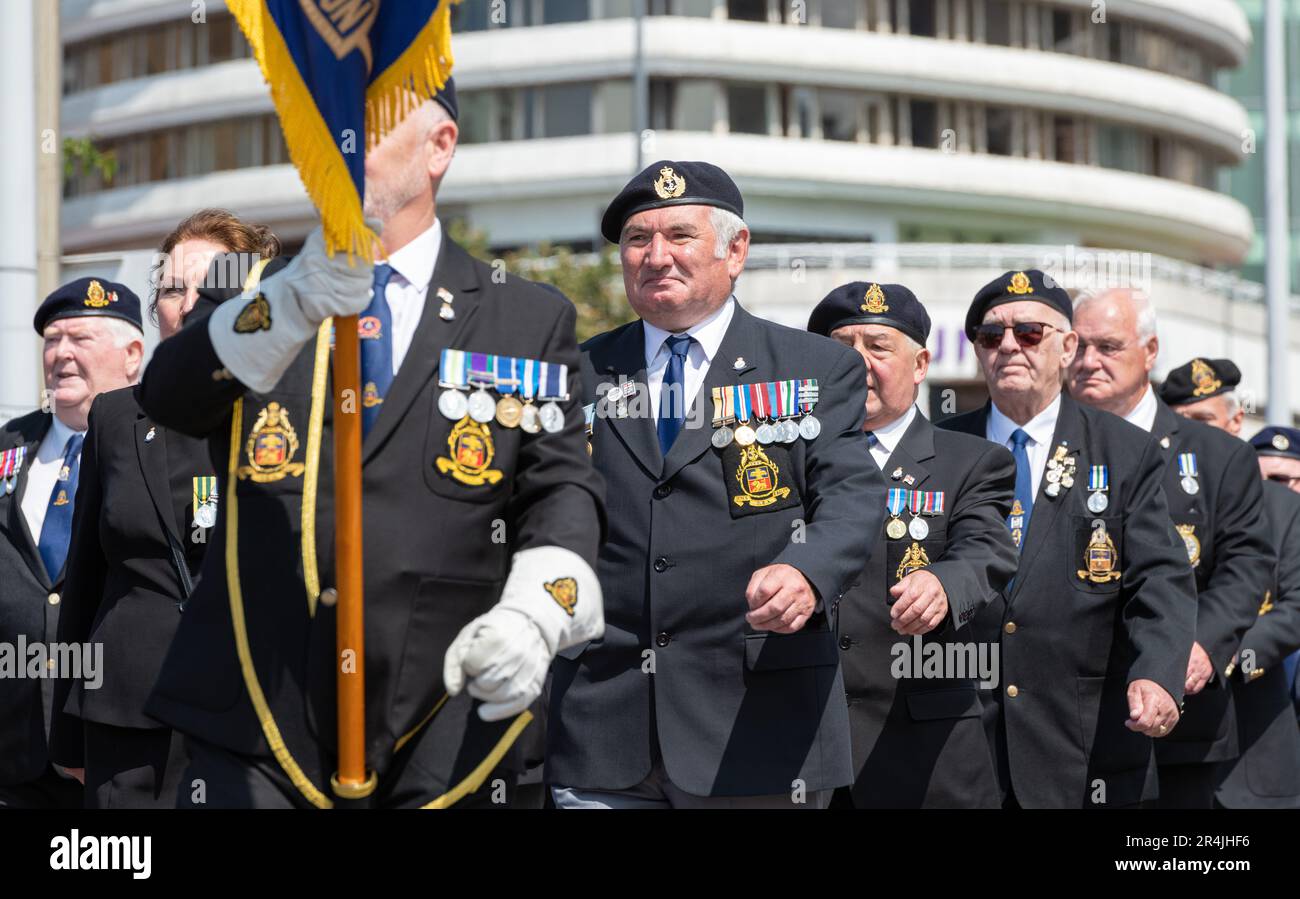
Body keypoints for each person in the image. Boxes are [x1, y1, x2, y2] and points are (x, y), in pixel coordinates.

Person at [137, 81, 606, 808]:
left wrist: (540, 612)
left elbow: (561, 493)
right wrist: (285, 302)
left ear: (438, 148)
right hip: (260, 717)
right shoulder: (252, 287)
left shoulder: (522, 317)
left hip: (447, 718)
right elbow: (168, 395)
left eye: (363, 131)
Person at [546, 160, 883, 808]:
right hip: (603, 725)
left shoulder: (816, 367)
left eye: (679, 235)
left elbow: (850, 495)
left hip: (756, 724)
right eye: (638, 240)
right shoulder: (579, 370)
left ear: (736, 250)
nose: (655, 255)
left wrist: (808, 573)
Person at [47, 210, 280, 808]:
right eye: (172, 289)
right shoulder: (117, 416)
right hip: (128, 710)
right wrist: (68, 733)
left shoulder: (284, 411)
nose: (188, 302)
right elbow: (86, 582)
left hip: (251, 702)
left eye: (209, 285)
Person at [940, 269, 1195, 808]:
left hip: (1081, 746)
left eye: (1029, 333)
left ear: (1067, 346)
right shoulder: (940, 449)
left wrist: (1157, 672)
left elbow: (1160, 578)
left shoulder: (1124, 452)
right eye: (991, 336)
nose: (1008, 346)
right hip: (958, 745)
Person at [807, 282, 1016, 808]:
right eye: (840, 347)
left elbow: (985, 549)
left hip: (922, 759)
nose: (857, 363)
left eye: (878, 347)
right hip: (800, 748)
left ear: (920, 364)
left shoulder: (971, 461)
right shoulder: (786, 461)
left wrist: (942, 584)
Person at [1068, 297, 1272, 809]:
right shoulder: (1039, 447)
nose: (1090, 360)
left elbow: (1246, 566)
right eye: (1080, 345)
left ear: (1150, 350)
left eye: (1109, 346)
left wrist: (1201, 644)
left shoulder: (1217, 454)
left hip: (1180, 721)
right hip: (1066, 718)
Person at [0, 277, 145, 807]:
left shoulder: (159, 442)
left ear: (132, 355)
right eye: (51, 340)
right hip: (13, 752)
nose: (60, 354)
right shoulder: (9, 445)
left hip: (116, 745)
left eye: (79, 339)